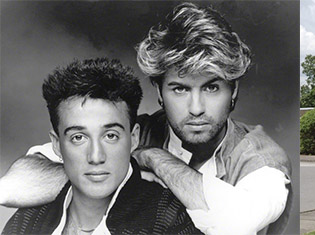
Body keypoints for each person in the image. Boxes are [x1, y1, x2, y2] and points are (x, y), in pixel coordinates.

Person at [0, 2, 291, 234]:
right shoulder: (130, 131)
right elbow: (13, 187)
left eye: (212, 87)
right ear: (160, 92)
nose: (197, 108)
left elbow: (235, 224)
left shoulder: (262, 159)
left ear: (234, 89)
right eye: (180, 89)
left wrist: (151, 158)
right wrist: (101, 170)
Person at [2, 58, 201, 234]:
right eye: (79, 137)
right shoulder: (28, 220)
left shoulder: (169, 220)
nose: (96, 156)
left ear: (133, 138)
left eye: (111, 136)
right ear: (56, 144)